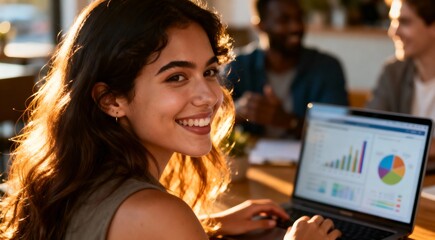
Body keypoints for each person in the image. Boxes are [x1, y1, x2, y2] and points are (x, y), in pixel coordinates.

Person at [0, 0, 341, 239]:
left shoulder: (81, 181)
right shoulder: (157, 213)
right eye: (176, 77)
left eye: (209, 71)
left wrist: (205, 225)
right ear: (111, 100)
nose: (210, 95)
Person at [227, 0, 348, 138]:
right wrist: (236, 112)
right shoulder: (237, 65)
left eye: (299, 18)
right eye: (284, 20)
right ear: (260, 26)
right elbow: (212, 120)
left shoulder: (327, 68)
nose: (296, 27)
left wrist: (289, 121)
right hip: (250, 159)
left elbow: (337, 132)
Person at [366, 0, 435, 168]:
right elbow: (370, 130)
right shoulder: (393, 72)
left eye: (404, 22)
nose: (393, 31)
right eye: (393, 21)